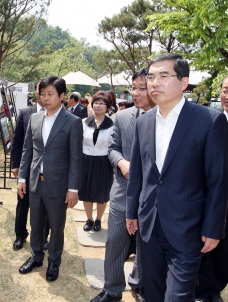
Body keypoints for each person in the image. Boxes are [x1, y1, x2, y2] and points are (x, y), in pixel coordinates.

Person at [126, 53, 228, 302]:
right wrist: (132, 212)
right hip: (149, 224)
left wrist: (213, 228)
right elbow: (139, 173)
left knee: (178, 297)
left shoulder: (209, 120)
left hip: (188, 228)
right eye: (151, 76)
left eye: (163, 76)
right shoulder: (144, 121)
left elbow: (218, 181)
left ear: (184, 82)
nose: (154, 83)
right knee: (153, 293)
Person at [91, 69, 154, 302]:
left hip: (152, 197)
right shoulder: (122, 118)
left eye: (141, 88)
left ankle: (140, 284)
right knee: (115, 242)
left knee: (146, 246)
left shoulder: (164, 119)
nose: (135, 93)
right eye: (133, 88)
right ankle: (112, 289)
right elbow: (112, 148)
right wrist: (121, 162)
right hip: (122, 192)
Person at [17, 76, 82, 282]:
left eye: (50, 94)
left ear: (62, 96)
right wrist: (22, 178)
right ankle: (36, 256)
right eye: (42, 94)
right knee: (36, 223)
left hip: (59, 185)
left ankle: (54, 261)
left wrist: (73, 189)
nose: (45, 98)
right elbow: (28, 150)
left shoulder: (73, 122)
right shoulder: (35, 119)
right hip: (35, 181)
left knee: (56, 225)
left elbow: (76, 158)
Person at [195, 76, 228, 302]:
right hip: (211, 196)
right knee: (208, 245)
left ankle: (216, 286)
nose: (227, 95)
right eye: (225, 90)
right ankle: (206, 290)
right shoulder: (212, 120)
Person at [11, 80, 49, 250]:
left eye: (47, 91)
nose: (43, 94)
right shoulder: (26, 113)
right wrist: (15, 165)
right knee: (23, 203)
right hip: (27, 168)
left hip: (47, 170)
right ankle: (20, 235)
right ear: (36, 92)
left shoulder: (56, 114)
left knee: (45, 206)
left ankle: (43, 237)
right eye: (40, 90)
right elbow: (17, 141)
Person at [80, 91, 114, 233]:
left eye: (102, 103)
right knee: (86, 192)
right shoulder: (83, 123)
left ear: (108, 107)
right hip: (86, 161)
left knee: (102, 193)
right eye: (96, 103)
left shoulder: (113, 125)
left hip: (104, 162)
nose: (98, 105)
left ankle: (99, 219)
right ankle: (89, 219)